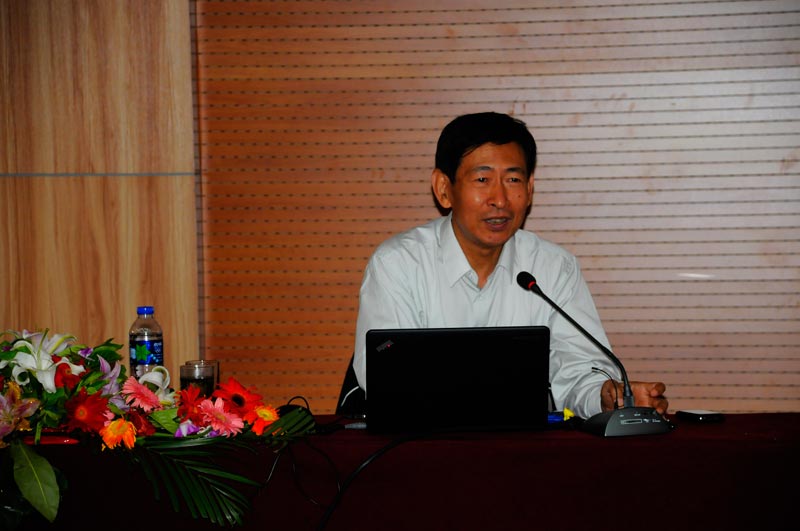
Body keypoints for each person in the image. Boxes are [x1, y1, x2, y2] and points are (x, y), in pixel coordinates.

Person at [351, 111, 667, 420]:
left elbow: (579, 370)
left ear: (529, 190)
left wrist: (603, 396)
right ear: (444, 189)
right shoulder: (399, 265)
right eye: (482, 179)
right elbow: (387, 378)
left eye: (513, 179)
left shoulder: (553, 268)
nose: (500, 199)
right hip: (423, 443)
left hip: (525, 447)